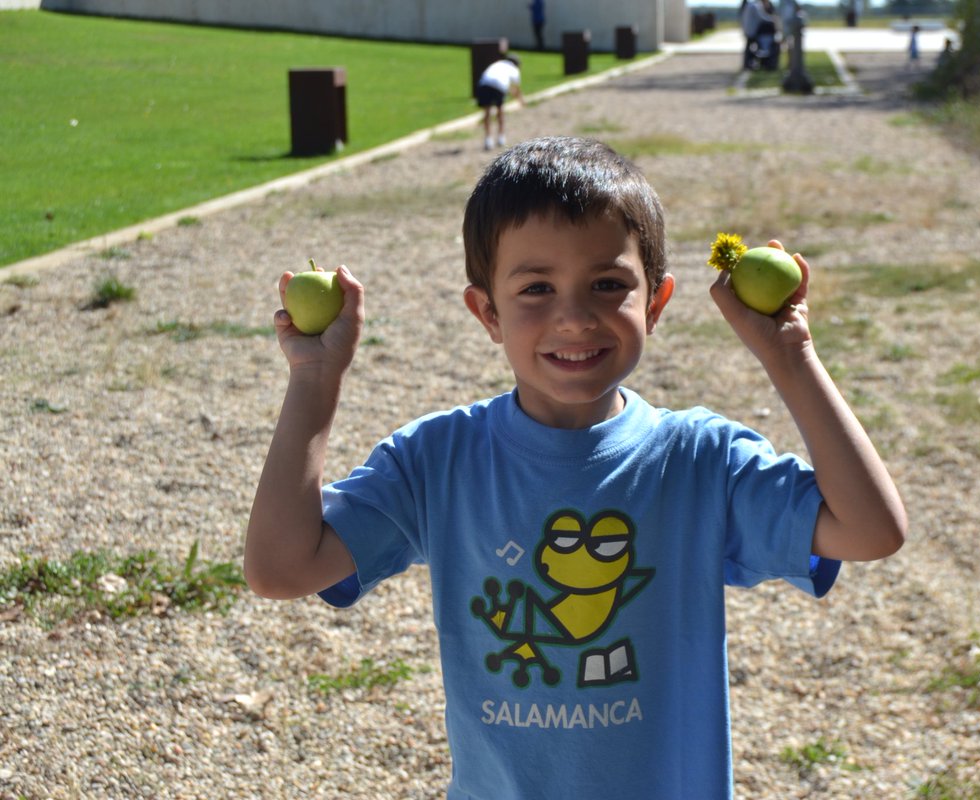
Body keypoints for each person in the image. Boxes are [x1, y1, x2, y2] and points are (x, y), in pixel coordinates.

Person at [244, 136, 906, 799]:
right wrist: (314, 380)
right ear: (487, 313)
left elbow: (871, 529)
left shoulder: (700, 461)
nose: (574, 316)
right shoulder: (437, 461)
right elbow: (281, 569)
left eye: (608, 284)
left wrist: (790, 356)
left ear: (656, 302)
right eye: (536, 287)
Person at [474, 54, 523, 151]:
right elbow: (516, 89)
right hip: (500, 86)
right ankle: (501, 137)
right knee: (500, 110)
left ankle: (488, 139)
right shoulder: (514, 69)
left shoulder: (497, 64)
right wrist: (521, 100)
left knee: (487, 112)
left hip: (485, 83)